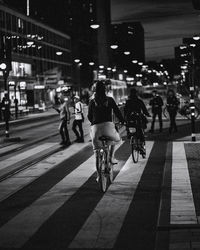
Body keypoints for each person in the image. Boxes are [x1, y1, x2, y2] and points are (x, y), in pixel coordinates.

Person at [88, 81, 124, 179]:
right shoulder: (110, 99)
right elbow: (117, 112)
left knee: (96, 153)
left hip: (95, 129)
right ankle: (111, 158)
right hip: (108, 126)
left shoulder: (92, 101)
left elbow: (89, 116)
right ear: (105, 89)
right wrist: (122, 121)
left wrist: (94, 123)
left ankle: (99, 176)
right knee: (116, 140)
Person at [124, 88, 150, 155]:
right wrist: (147, 114)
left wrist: (124, 118)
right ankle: (141, 145)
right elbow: (144, 110)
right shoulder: (139, 101)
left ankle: (131, 138)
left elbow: (125, 111)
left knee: (129, 129)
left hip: (130, 119)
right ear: (136, 93)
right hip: (138, 118)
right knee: (141, 130)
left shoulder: (128, 101)